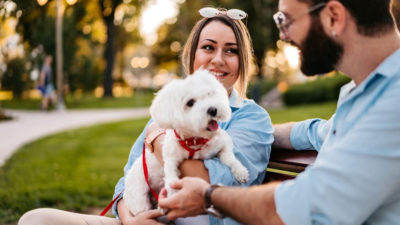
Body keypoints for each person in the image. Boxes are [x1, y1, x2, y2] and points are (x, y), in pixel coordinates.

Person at [18, 7, 274, 225]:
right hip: (139, 218)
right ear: (192, 56)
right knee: (37, 220)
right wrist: (131, 220)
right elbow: (126, 181)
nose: (218, 59)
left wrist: (157, 140)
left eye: (231, 51)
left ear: (242, 61)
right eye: (208, 47)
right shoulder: (174, 109)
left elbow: (217, 186)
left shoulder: (252, 119)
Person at [156, 0, 400, 224]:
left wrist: (210, 196)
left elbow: (305, 208)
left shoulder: (393, 102)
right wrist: (268, 133)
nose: (284, 37)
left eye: (286, 21)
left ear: (333, 17)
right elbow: (318, 132)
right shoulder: (364, 92)